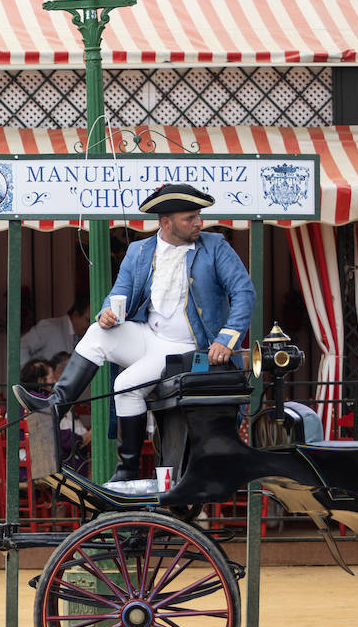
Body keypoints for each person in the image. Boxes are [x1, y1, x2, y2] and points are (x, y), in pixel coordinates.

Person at [15, 183, 255, 484]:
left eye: (198, 216)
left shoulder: (215, 245)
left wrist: (226, 339)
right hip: (147, 336)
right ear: (165, 222)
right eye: (189, 218)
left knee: (127, 383)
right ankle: (55, 405)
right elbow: (120, 292)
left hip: (186, 350)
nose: (198, 223)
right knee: (96, 332)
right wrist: (106, 313)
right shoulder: (138, 250)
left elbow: (244, 293)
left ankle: (126, 470)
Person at [19, 298, 90, 365]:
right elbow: (22, 346)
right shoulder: (50, 327)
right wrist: (30, 373)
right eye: (88, 320)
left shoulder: (83, 336)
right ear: (76, 315)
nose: (89, 325)